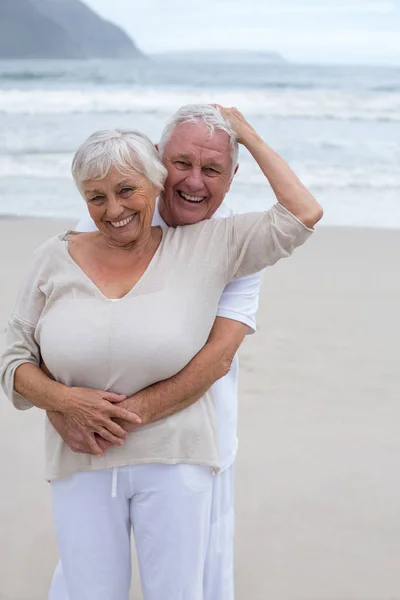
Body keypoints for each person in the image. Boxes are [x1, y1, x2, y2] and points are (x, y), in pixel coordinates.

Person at [0, 107, 322, 600]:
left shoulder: (222, 243)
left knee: (189, 582)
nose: (113, 208)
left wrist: (249, 134)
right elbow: (18, 354)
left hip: (181, 438)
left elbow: (216, 360)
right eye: (181, 164)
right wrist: (62, 404)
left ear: (231, 177)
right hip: (81, 454)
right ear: (156, 164)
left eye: (212, 169)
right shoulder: (68, 245)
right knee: (86, 586)